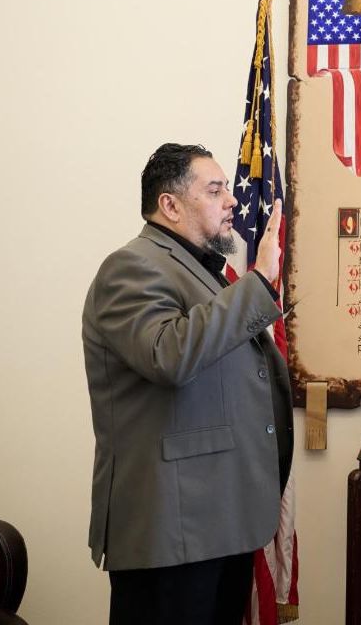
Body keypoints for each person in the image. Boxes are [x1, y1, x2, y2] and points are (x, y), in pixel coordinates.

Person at [82, 143, 293, 625]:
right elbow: (168, 355)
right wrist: (259, 281)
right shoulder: (131, 266)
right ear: (170, 206)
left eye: (226, 189)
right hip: (174, 530)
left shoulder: (199, 271)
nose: (232, 201)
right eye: (215, 190)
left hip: (220, 520)